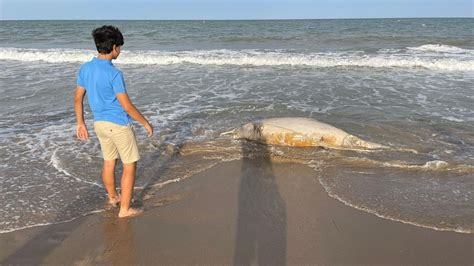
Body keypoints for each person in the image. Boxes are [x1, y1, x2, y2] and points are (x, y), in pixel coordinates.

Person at [74, 25, 153, 218]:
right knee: (129, 165)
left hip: (99, 124)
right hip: (118, 124)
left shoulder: (85, 68)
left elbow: (78, 99)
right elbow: (126, 106)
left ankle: (112, 197)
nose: (121, 51)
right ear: (115, 47)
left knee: (109, 162)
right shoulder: (114, 73)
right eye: (120, 47)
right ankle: (125, 209)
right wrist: (145, 122)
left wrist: (80, 123)